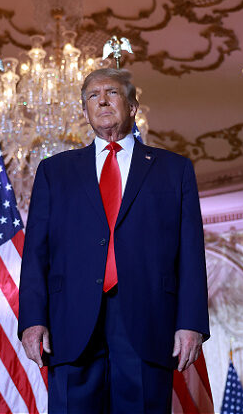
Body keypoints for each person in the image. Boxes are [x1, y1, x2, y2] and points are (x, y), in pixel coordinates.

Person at [18, 68, 209, 413]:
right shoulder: (54, 171)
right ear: (86, 110)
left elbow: (191, 254)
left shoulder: (174, 169)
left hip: (149, 320)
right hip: (69, 323)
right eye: (93, 95)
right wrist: (32, 319)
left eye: (112, 93)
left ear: (133, 105)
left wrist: (191, 323)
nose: (102, 100)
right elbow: (35, 253)